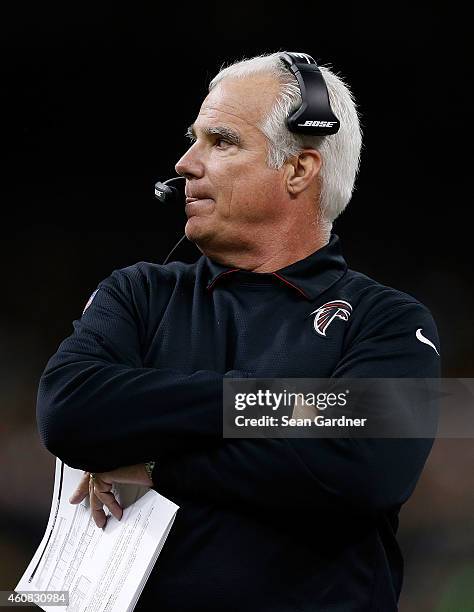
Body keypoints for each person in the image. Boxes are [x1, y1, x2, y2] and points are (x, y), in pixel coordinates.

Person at [36, 51, 441, 611]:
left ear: (299, 169)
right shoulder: (140, 292)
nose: (184, 163)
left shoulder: (390, 322)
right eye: (194, 138)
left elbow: (365, 472)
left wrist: (157, 462)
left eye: (221, 141)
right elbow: (68, 410)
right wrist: (286, 406)